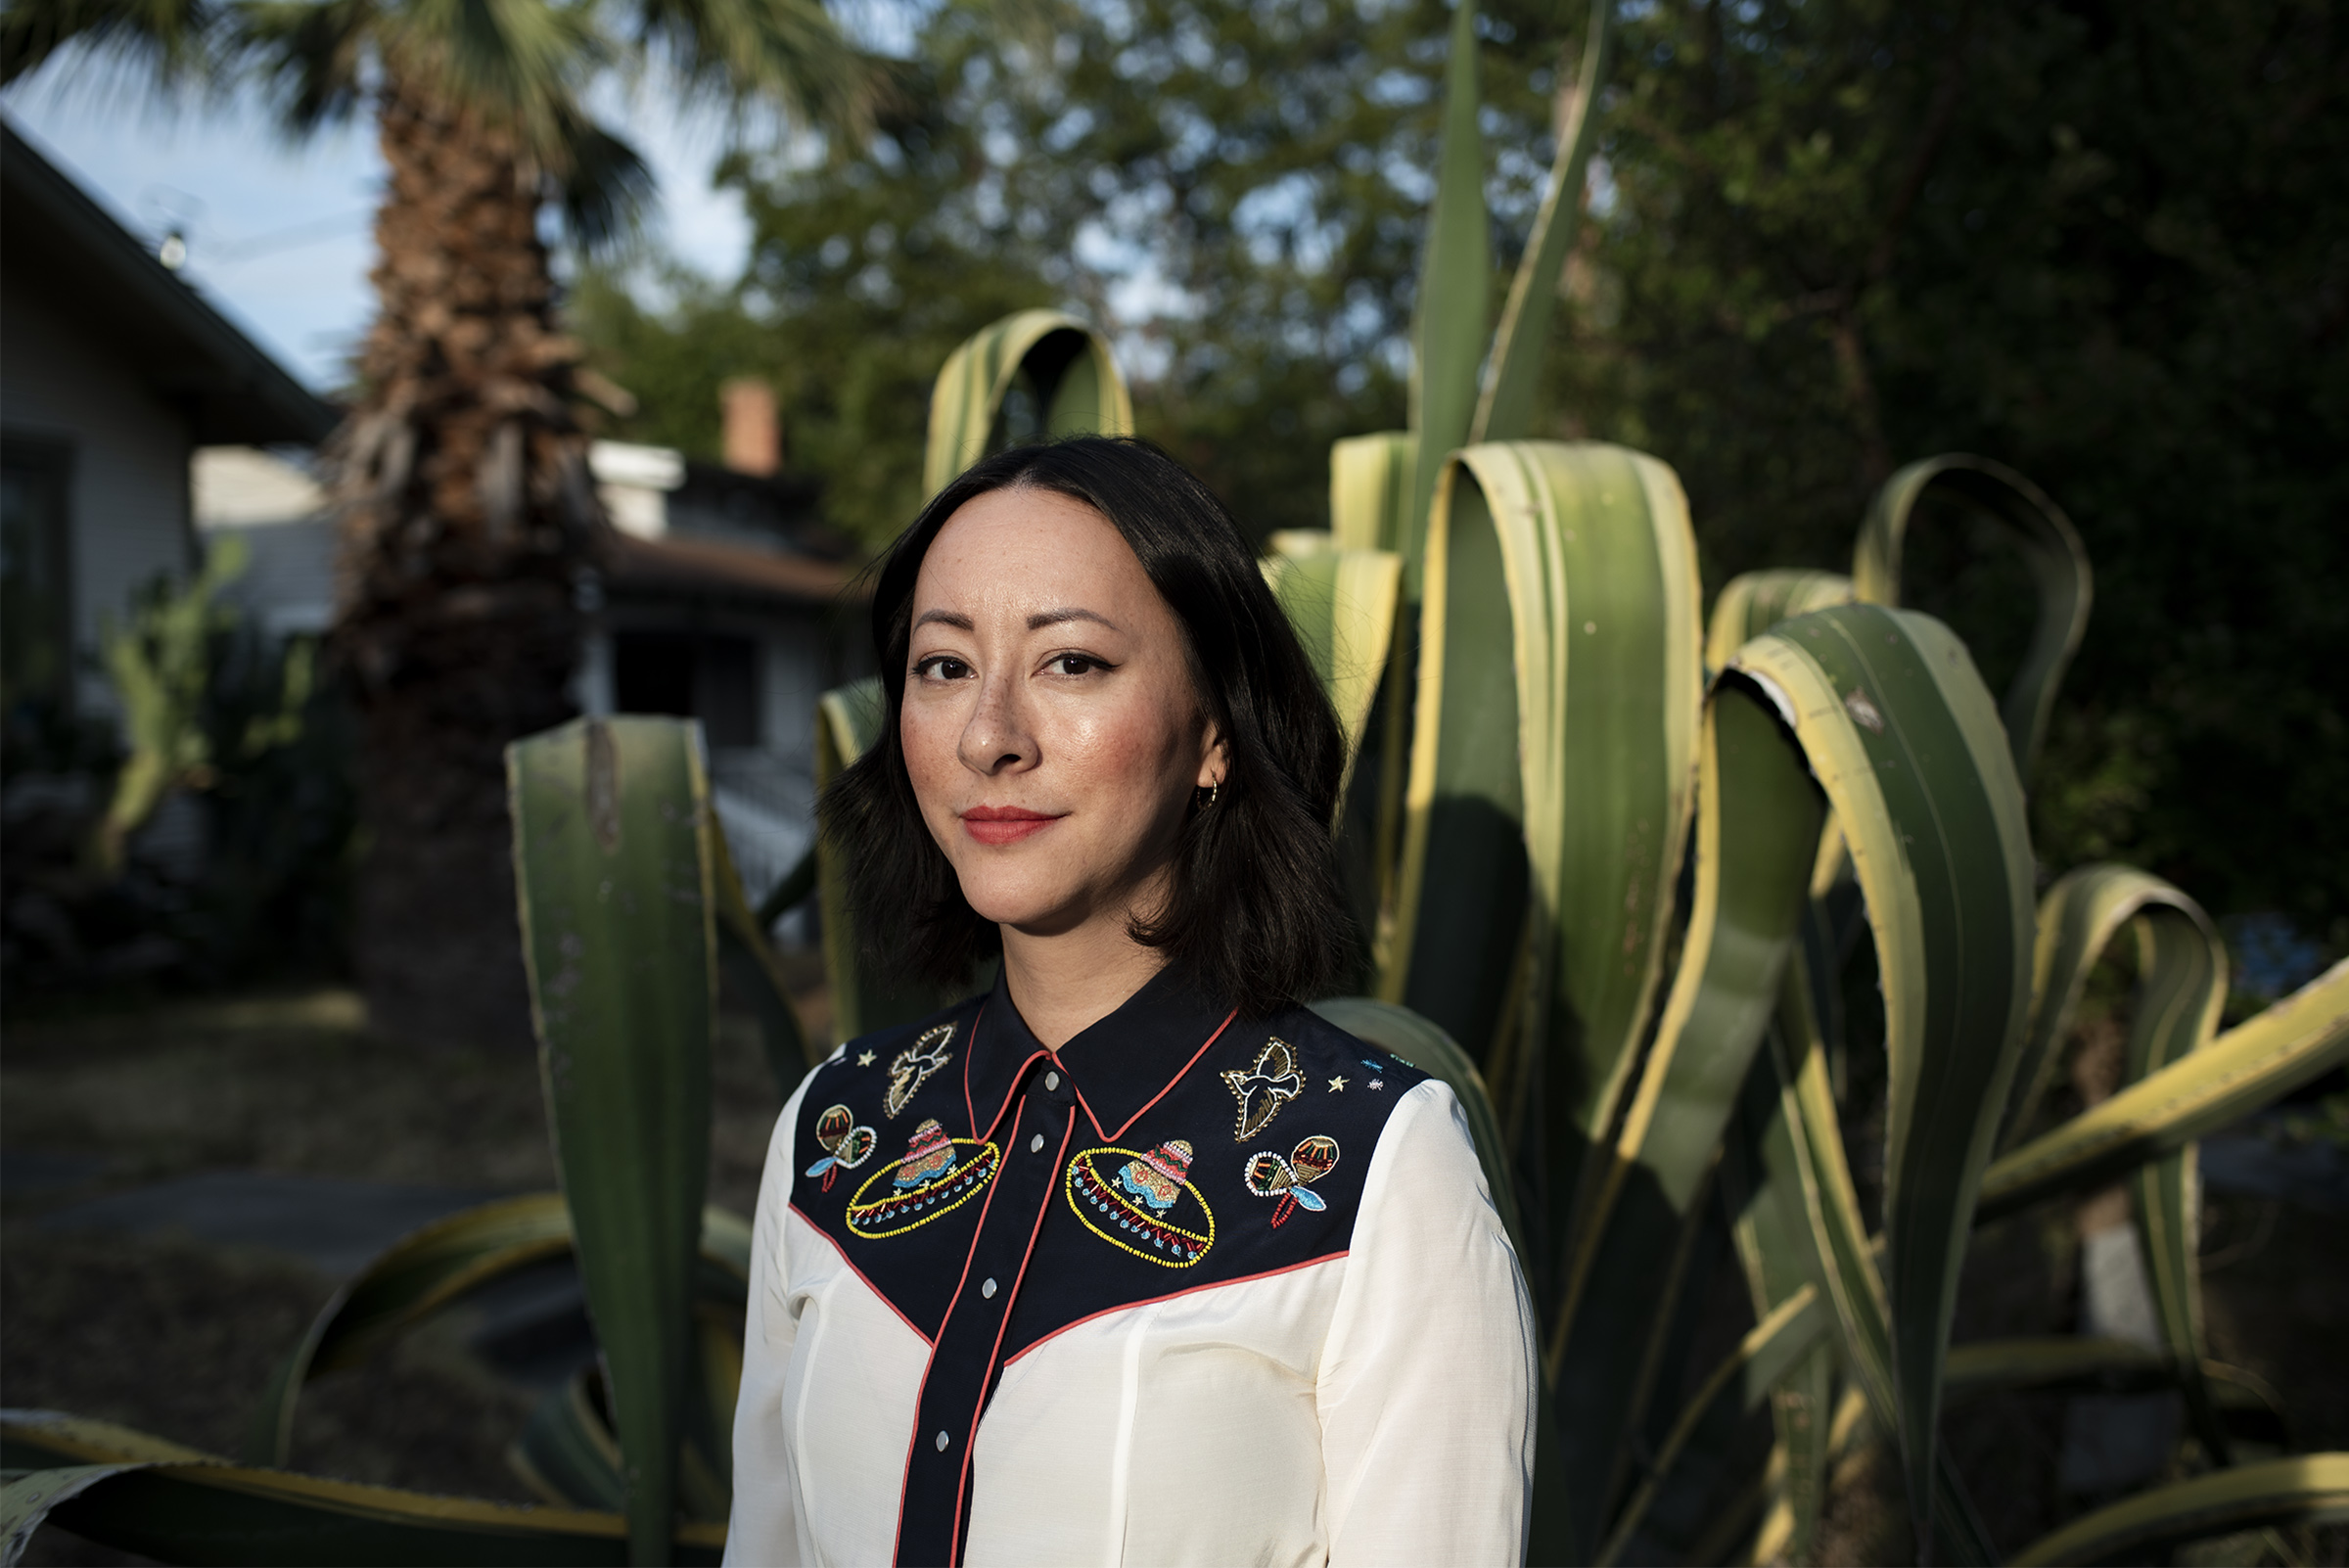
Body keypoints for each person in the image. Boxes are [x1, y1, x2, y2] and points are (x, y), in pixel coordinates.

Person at [726, 437, 1537, 1567]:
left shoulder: (1373, 1170)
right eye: (944, 665)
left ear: (1214, 733)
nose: (989, 736)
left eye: (1071, 664)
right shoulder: (835, 1130)